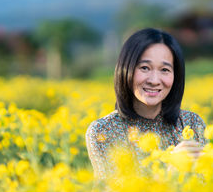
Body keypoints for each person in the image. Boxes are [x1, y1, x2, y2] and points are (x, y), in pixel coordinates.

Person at [86, 28, 206, 179]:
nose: (154, 80)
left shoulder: (192, 124)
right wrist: (171, 173)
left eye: (165, 69)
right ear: (126, 69)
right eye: (144, 68)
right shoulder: (103, 132)